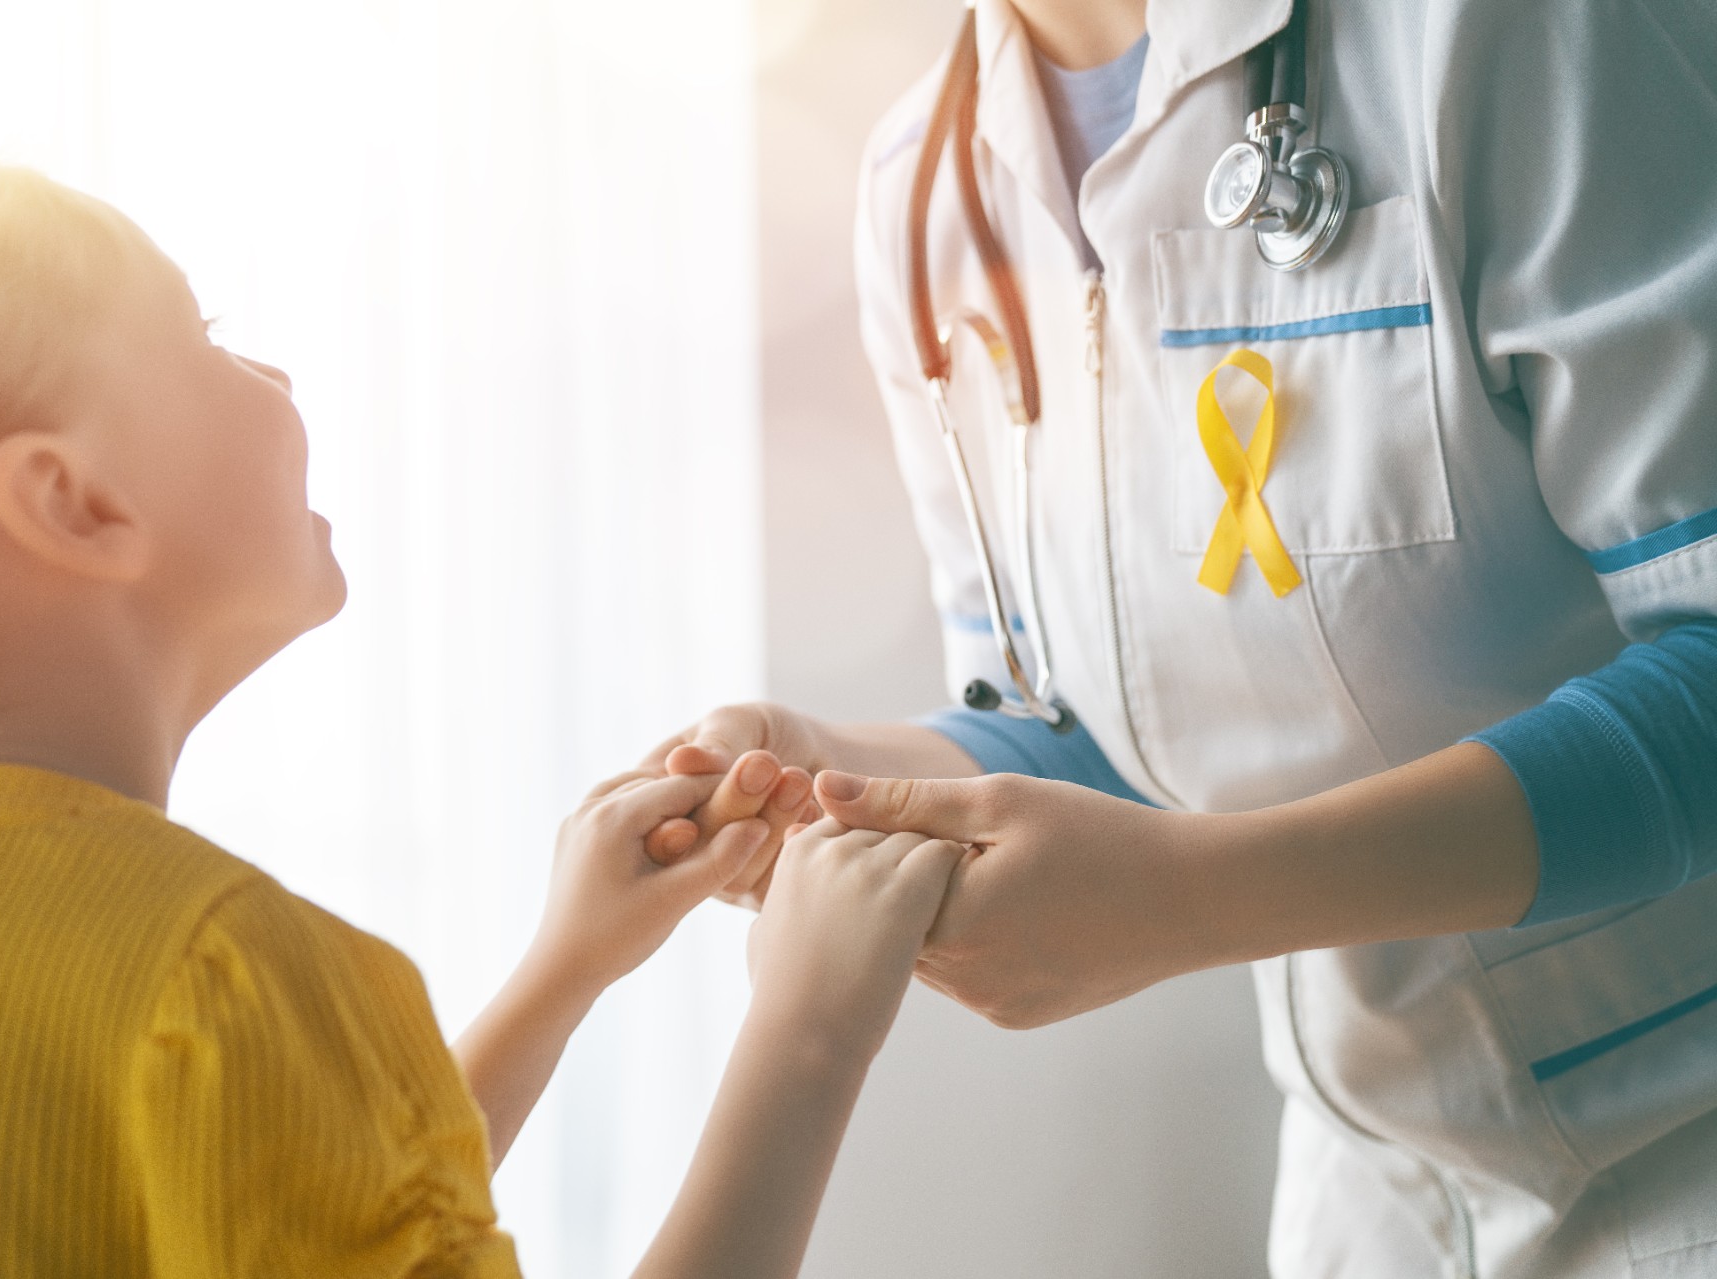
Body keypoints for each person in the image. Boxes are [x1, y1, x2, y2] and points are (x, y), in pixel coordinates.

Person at [640, 0, 1717, 1274]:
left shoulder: (1503, 34)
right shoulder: (920, 188)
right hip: (1372, 1196)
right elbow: (1102, 721)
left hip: (1677, 1138)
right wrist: (830, 775)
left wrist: (1190, 900)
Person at [0, 149, 970, 1278]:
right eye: (203, 339)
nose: (280, 378)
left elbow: (303, 1209)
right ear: (73, 500)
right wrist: (808, 1026)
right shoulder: (220, 974)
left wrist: (566, 968)